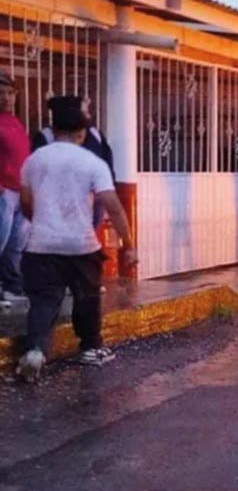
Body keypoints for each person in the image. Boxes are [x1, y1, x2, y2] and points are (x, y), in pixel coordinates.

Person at [16, 100, 136, 380]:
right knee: (87, 297)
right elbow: (113, 205)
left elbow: (25, 202)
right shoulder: (92, 163)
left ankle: (35, 350)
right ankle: (90, 348)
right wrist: (128, 245)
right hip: (81, 245)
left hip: (41, 246)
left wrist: (41, 223)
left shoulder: (34, 160)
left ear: (53, 129)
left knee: (44, 301)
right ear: (82, 133)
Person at [34, 96, 116, 230]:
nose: (88, 116)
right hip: (60, 198)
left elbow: (107, 162)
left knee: (89, 232)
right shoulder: (46, 135)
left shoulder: (94, 133)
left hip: (94, 197)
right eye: (84, 112)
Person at [0, 73, 29, 308]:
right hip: (4, 191)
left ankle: (11, 285)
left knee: (16, 244)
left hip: (20, 191)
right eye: (2, 94)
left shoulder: (15, 122)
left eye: (10, 93)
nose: (7, 98)